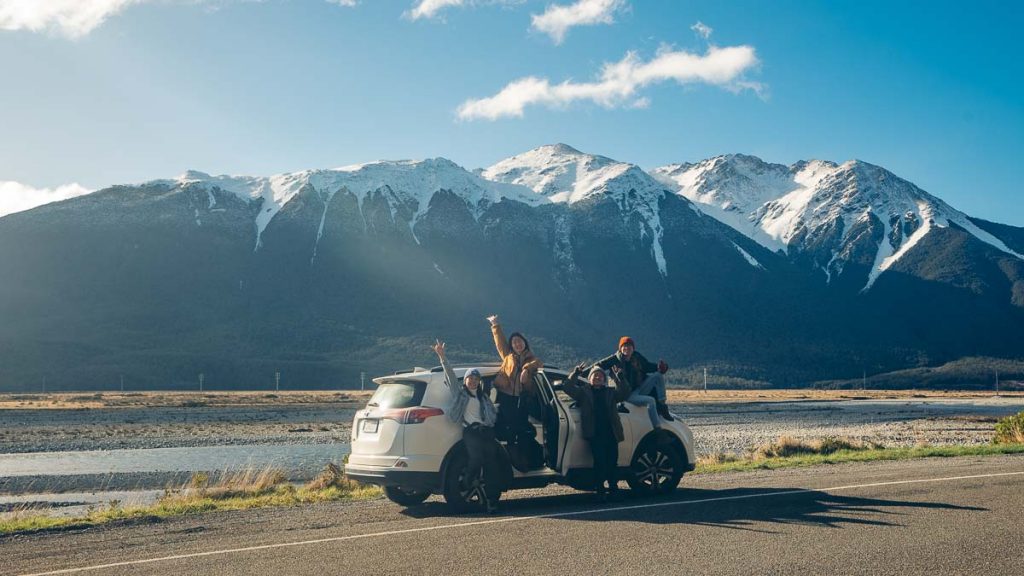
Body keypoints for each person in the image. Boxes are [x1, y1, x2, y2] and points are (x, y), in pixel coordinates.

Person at [432, 339, 501, 513]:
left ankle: (492, 500)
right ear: (466, 380)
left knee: (492, 465)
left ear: (479, 381)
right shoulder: (460, 394)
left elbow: (491, 412)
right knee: (476, 459)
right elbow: (450, 377)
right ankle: (467, 482)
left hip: (486, 432)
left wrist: (491, 422)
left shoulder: (483, 397)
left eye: (476, 378)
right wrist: (442, 357)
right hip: (471, 431)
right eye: (470, 378)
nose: (473, 381)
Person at [562, 363, 631, 501]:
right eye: (595, 375)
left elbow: (625, 393)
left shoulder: (610, 392)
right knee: (599, 462)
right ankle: (600, 490)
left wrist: (620, 378)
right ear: (590, 378)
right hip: (594, 433)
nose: (598, 377)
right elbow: (567, 387)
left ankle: (613, 489)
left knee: (612, 462)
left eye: (600, 375)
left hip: (611, 432)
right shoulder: (583, 392)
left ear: (604, 379)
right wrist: (575, 373)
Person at [486, 315, 543, 444]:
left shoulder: (531, 358)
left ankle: (519, 456)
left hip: (521, 399)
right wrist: (495, 325)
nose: (517, 344)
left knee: (519, 430)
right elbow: (500, 343)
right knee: (507, 430)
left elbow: (538, 363)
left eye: (520, 341)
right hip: (505, 397)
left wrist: (526, 369)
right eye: (514, 342)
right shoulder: (508, 356)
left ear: (525, 343)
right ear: (511, 345)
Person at [596, 336, 673, 429]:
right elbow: (598, 365)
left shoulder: (637, 357)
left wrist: (660, 367)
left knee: (658, 375)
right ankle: (657, 429)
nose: (627, 348)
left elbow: (647, 366)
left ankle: (662, 406)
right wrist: (580, 374)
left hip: (639, 389)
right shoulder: (614, 360)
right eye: (624, 346)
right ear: (620, 348)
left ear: (633, 348)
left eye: (629, 346)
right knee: (651, 401)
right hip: (626, 395)